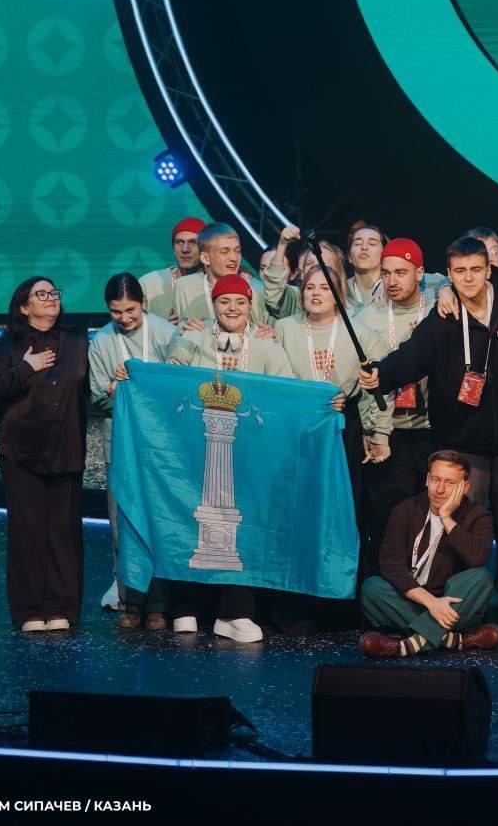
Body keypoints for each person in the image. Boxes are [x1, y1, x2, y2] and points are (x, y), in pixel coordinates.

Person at [359, 237, 498, 620]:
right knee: (457, 525)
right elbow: (412, 355)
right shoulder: (443, 317)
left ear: (489, 269)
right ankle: (459, 611)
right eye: (460, 272)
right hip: (464, 444)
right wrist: (382, 373)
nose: (469, 278)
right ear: (449, 274)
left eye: (476, 269)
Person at [167, 273, 293, 642]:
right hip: (194, 450)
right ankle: (185, 607)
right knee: (187, 523)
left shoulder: (266, 346)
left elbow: (288, 393)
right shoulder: (194, 336)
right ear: (214, 306)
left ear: (251, 306)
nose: (232, 308)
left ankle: (234, 613)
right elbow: (169, 375)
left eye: (240, 302)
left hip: (249, 458)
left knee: (243, 531)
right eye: (224, 302)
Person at [0, 277, 88, 632]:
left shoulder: (77, 342)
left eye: (54, 292)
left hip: (66, 450)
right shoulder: (9, 346)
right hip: (22, 452)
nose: (50, 298)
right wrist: (26, 368)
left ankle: (62, 607)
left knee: (64, 534)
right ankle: (29, 611)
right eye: (40, 294)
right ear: (24, 307)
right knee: (27, 534)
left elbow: (91, 388)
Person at [272, 261, 390, 571]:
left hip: (343, 428)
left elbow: (378, 387)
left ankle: (343, 583)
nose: (316, 293)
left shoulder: (359, 332)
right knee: (301, 504)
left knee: (344, 504)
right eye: (309, 287)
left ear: (338, 294)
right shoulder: (284, 329)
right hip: (298, 429)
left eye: (325, 288)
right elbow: (273, 377)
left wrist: (374, 431)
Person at [88, 273, 179, 630]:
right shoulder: (102, 341)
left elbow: (177, 390)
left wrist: (145, 383)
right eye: (116, 312)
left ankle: (159, 604)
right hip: (121, 443)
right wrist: (115, 389)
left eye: (131, 310)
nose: (124, 318)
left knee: (160, 522)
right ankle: (129, 602)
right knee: (122, 523)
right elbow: (97, 397)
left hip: (160, 444)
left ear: (143, 304)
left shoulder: (166, 334)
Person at [359, 450, 498, 657]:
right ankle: (453, 640)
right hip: (414, 598)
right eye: (435, 480)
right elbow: (391, 565)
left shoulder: (478, 516)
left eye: (450, 483)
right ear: (427, 479)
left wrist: (446, 518)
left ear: (465, 487)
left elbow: (477, 558)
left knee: (480, 578)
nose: (440, 489)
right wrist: (431, 603)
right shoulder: (404, 510)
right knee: (372, 588)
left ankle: (407, 645)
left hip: (452, 602)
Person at [356, 238, 443, 564]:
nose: (392, 281)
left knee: (434, 517)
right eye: (386, 273)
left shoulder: (439, 311)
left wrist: (445, 290)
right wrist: (372, 430)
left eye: (401, 272)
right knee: (387, 519)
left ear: (420, 273)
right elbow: (363, 383)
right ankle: (384, 587)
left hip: (434, 431)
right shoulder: (367, 319)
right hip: (390, 433)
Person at [172, 222, 271, 326]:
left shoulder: (257, 290)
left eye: (237, 251)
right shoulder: (184, 287)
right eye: (224, 252)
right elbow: (179, 329)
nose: (234, 258)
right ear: (205, 258)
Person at [261, 226, 348, 320]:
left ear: (338, 272)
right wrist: (282, 244)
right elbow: (274, 289)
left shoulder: (353, 311)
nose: (315, 268)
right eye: (309, 264)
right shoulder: (295, 298)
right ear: (302, 273)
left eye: (323, 264)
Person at [140, 217, 206, 322]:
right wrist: (163, 328)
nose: (185, 249)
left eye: (193, 242)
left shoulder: (214, 284)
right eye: (179, 242)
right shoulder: (148, 284)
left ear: (206, 248)